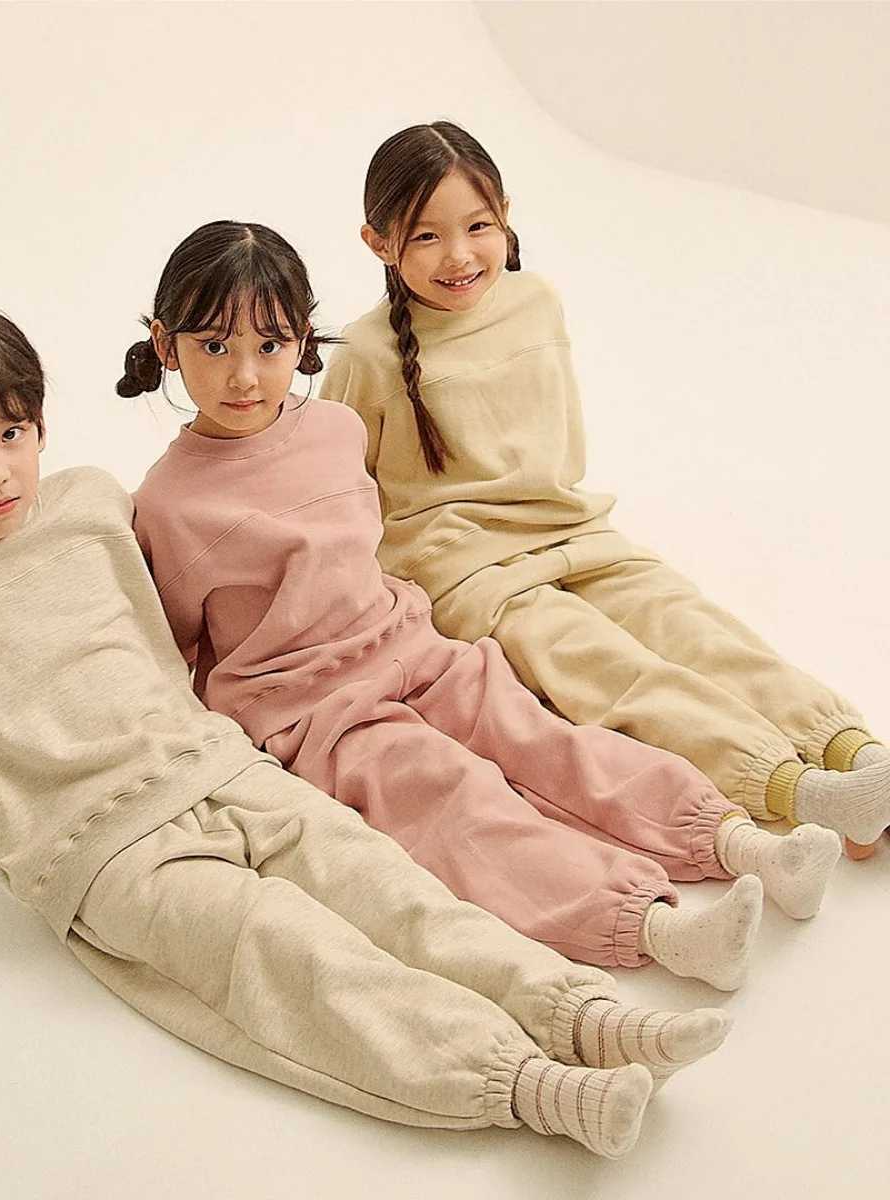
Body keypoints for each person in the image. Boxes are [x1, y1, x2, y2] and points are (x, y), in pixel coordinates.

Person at [0, 299, 739, 1160]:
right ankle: (532, 1086)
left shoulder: (91, 502)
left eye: (10, 435)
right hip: (101, 846)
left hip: (220, 765)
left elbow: (192, 598)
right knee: (287, 955)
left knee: (390, 888)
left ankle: (589, 1018)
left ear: (40, 426)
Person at [122, 222, 839, 997]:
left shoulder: (335, 430)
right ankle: (655, 929)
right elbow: (173, 655)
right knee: (460, 803)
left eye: (270, 345)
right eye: (214, 346)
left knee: (548, 739)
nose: (244, 375)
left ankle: (744, 847)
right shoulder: (167, 503)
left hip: (416, 649)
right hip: (316, 717)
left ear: (303, 340)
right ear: (167, 345)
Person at [320, 120, 889, 860]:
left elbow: (553, 450)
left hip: (573, 531)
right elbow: (333, 493)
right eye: (426, 237)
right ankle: (804, 793)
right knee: (614, 671)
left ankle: (857, 756)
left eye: (478, 226)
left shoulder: (536, 302)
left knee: (693, 627)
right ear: (378, 243)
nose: (458, 255)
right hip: (467, 575)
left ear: (506, 216)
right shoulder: (365, 354)